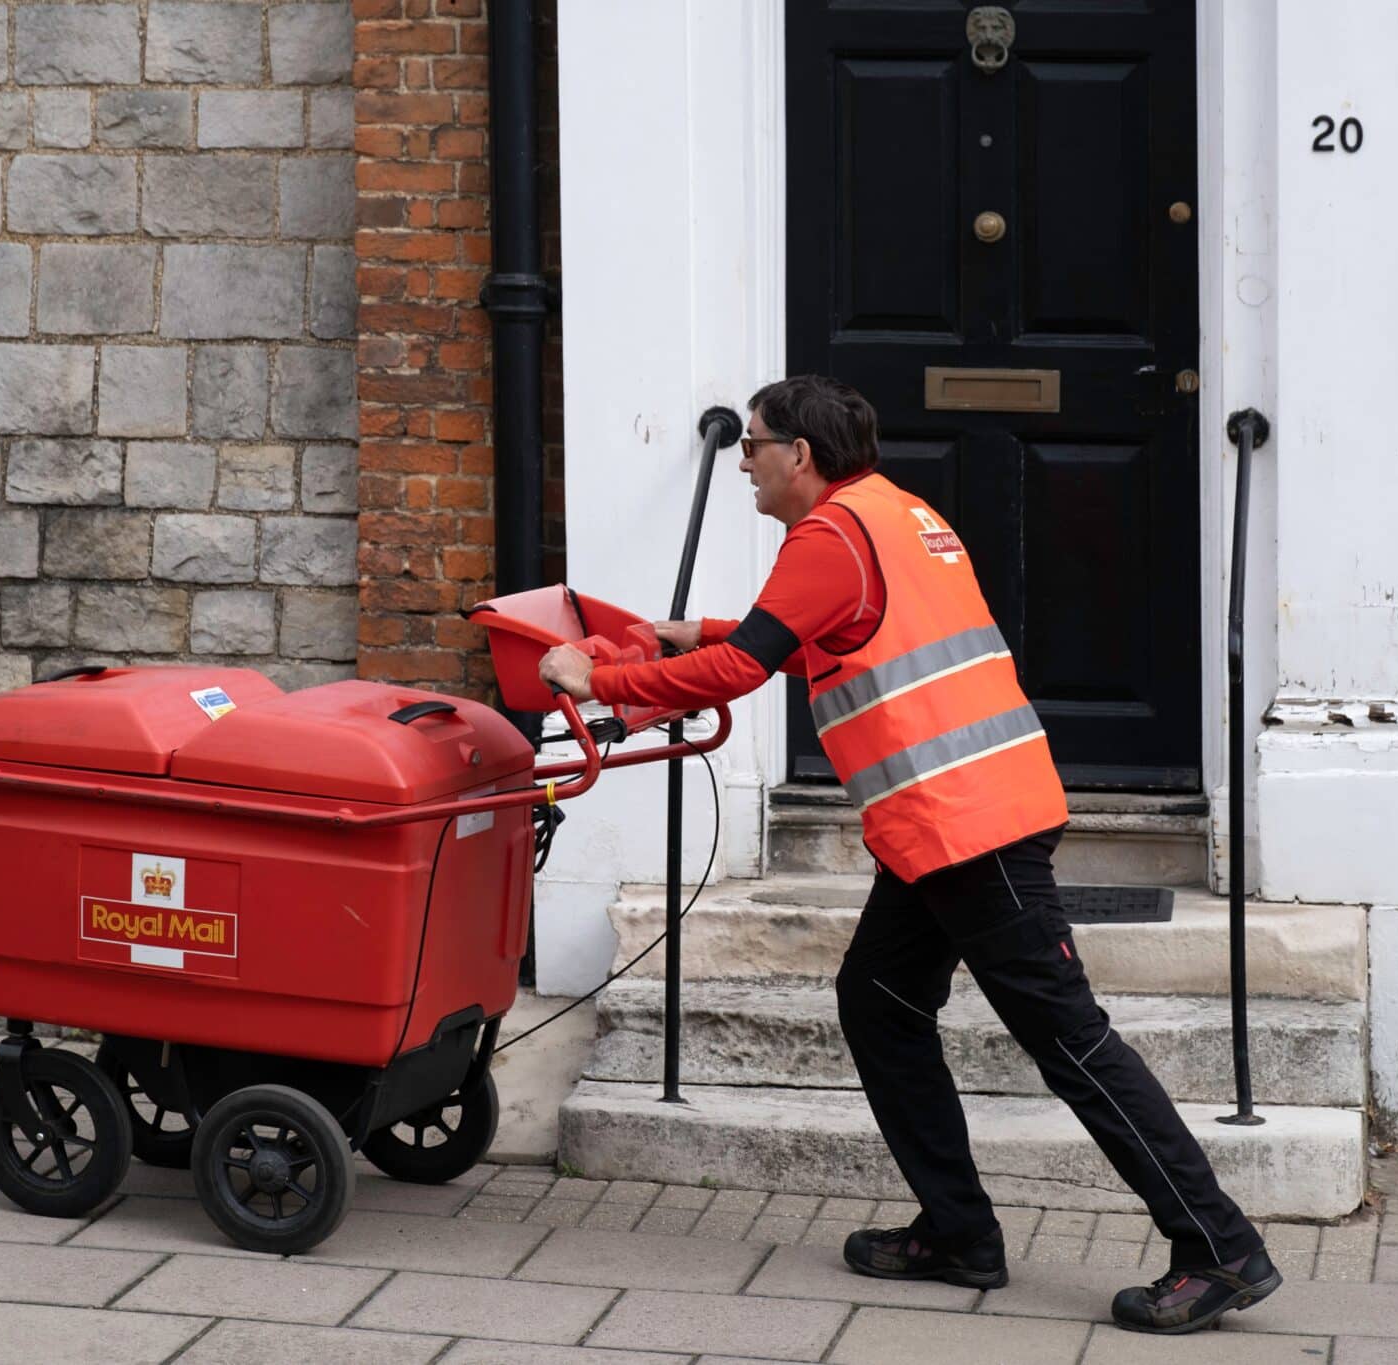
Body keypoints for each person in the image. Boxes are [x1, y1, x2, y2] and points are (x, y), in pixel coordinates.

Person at [538, 374, 1280, 1335]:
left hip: (968, 829)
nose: (744, 464)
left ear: (800, 454)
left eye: (753, 445)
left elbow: (744, 667)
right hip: (954, 822)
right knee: (880, 1003)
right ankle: (958, 1232)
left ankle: (1218, 1245)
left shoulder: (824, 539)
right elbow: (819, 637)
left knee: (1071, 1041)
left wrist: (597, 673)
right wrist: (699, 630)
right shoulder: (898, 514)